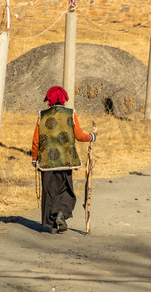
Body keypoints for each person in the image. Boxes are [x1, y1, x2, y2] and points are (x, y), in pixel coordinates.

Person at [31, 86, 97, 234]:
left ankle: (52, 225)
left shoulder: (42, 115)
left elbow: (36, 141)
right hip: (65, 161)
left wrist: (35, 158)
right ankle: (61, 213)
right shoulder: (70, 114)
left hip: (46, 162)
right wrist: (91, 137)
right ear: (64, 99)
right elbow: (79, 135)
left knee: (49, 192)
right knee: (65, 190)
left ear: (49, 99)